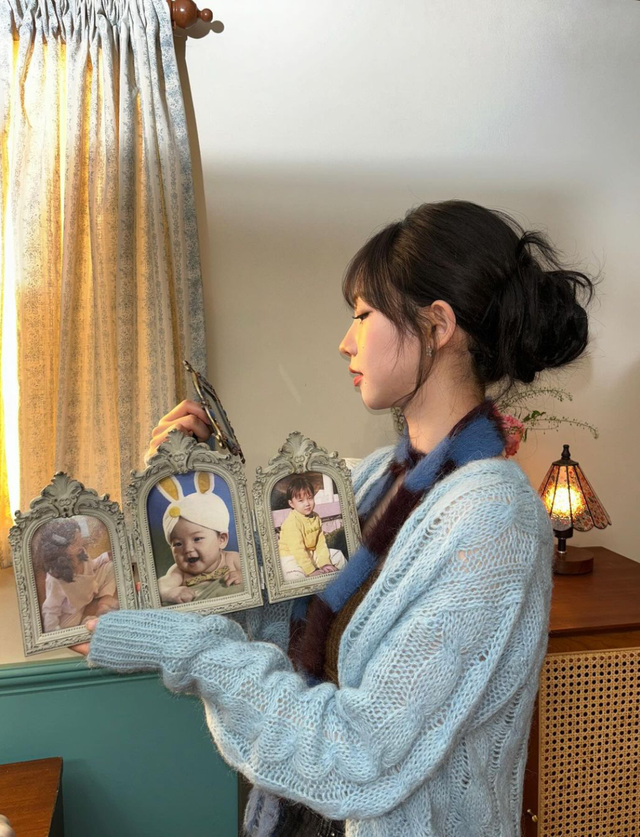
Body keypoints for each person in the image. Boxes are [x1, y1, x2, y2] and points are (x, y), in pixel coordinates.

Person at [75, 200, 596, 837]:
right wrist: (202, 494)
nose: (346, 342)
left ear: (437, 325)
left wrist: (185, 648)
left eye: (364, 314)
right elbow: (283, 635)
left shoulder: (495, 523)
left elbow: (358, 757)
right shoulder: (375, 480)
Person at [155, 472, 243, 603]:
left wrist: (243, 576)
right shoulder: (179, 572)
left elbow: (257, 572)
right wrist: (169, 592)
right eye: (178, 544)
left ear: (222, 539)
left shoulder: (232, 559)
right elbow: (159, 587)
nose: (187, 549)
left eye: (197, 539)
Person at [36, 518, 119, 631]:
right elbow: (51, 608)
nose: (81, 543)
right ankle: (87, 621)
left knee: (111, 566)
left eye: (80, 538)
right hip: (74, 608)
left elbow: (91, 565)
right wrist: (52, 634)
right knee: (68, 630)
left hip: (90, 588)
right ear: (61, 549)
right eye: (75, 542)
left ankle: (103, 605)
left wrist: (104, 557)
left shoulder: (81, 551)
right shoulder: (55, 578)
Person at [277, 476, 346, 581]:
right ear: (291, 503)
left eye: (310, 498)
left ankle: (348, 580)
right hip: (291, 557)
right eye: (301, 500)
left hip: (310, 553)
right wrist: (311, 571)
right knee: (296, 577)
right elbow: (298, 550)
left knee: (338, 556)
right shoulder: (292, 522)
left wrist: (325, 563)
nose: (307, 504)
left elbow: (320, 543)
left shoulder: (316, 517)